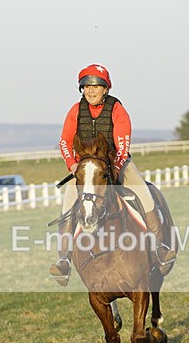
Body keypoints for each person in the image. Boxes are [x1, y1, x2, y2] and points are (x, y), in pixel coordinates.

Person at [49, 63, 176, 285]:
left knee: (144, 194)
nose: (90, 90)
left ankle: (160, 247)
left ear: (106, 88)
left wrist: (114, 168)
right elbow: (65, 141)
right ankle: (64, 260)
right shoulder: (75, 111)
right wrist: (72, 164)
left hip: (118, 164)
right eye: (86, 86)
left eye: (95, 86)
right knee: (68, 206)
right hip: (87, 170)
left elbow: (122, 143)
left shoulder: (117, 109)